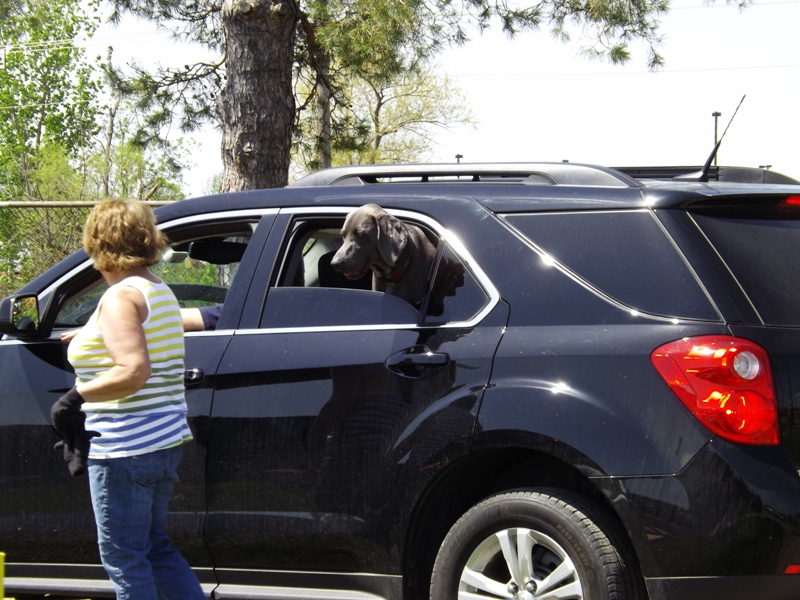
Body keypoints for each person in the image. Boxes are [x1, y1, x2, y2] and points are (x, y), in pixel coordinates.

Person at [50, 200, 205, 600]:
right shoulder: (156, 289)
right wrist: (90, 333)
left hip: (124, 446)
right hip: (162, 441)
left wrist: (73, 398)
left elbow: (134, 370)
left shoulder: (120, 298)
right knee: (155, 548)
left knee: (124, 558)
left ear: (97, 243)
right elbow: (137, 333)